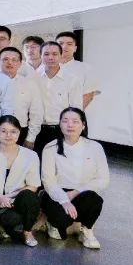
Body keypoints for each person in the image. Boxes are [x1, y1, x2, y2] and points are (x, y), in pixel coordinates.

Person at [41, 107, 108, 249]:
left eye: (75, 121)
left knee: (94, 200)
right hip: (58, 193)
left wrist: (76, 192)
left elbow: (103, 180)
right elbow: (48, 181)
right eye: (65, 121)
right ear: (60, 124)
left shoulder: (95, 147)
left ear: (83, 125)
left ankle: (87, 230)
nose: (70, 125)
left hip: (83, 192)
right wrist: (64, 200)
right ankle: (54, 224)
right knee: (60, 222)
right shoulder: (50, 147)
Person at [0, 115, 42, 247]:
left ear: (19, 132)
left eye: (13, 131)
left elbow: (33, 186)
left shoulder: (31, 155)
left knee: (30, 196)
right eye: (3, 131)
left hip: (18, 200)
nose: (8, 135)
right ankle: (4, 225)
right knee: (11, 219)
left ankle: (27, 232)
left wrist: (6, 198)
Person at [36, 41, 83, 153]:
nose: (50, 57)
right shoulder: (34, 77)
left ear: (61, 55)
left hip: (61, 130)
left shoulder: (72, 80)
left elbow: (76, 109)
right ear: (40, 56)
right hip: (37, 130)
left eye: (55, 54)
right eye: (46, 54)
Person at [0, 47, 43, 148]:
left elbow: (36, 113)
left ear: (20, 63)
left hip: (20, 131)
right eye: (5, 59)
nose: (9, 63)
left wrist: (30, 138)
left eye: (14, 60)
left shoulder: (29, 84)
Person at [55, 31, 100, 108]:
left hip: (75, 113)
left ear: (75, 48)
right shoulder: (44, 69)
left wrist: (72, 113)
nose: (64, 47)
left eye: (69, 44)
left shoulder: (86, 68)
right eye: (61, 43)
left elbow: (88, 95)